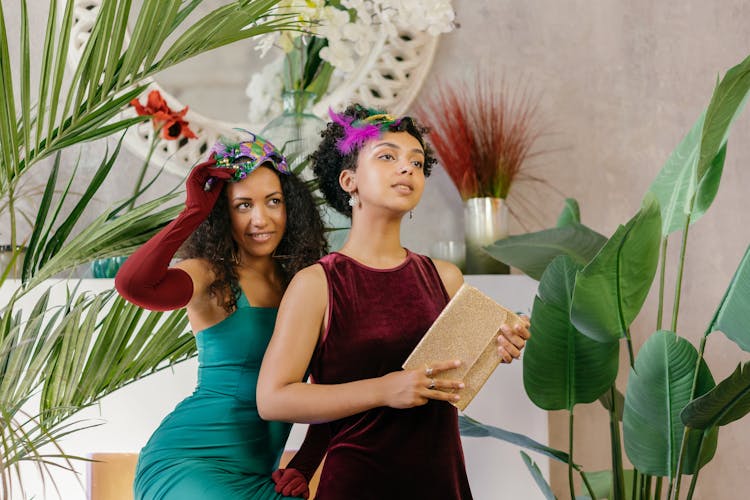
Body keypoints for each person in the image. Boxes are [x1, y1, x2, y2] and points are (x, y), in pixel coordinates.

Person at [257, 104, 531, 499]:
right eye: (387, 156)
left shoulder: (444, 277)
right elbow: (273, 398)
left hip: (442, 482)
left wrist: (500, 345)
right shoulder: (317, 283)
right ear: (348, 179)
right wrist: (384, 390)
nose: (407, 169)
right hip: (357, 484)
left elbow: (450, 382)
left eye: (416, 162)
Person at [115, 132, 328, 500]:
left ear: (291, 207)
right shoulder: (210, 274)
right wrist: (193, 211)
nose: (260, 219)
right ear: (223, 213)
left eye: (273, 201)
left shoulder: (308, 282)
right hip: (188, 462)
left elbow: (334, 384)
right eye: (243, 205)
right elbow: (133, 284)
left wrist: (303, 466)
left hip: (260, 474)